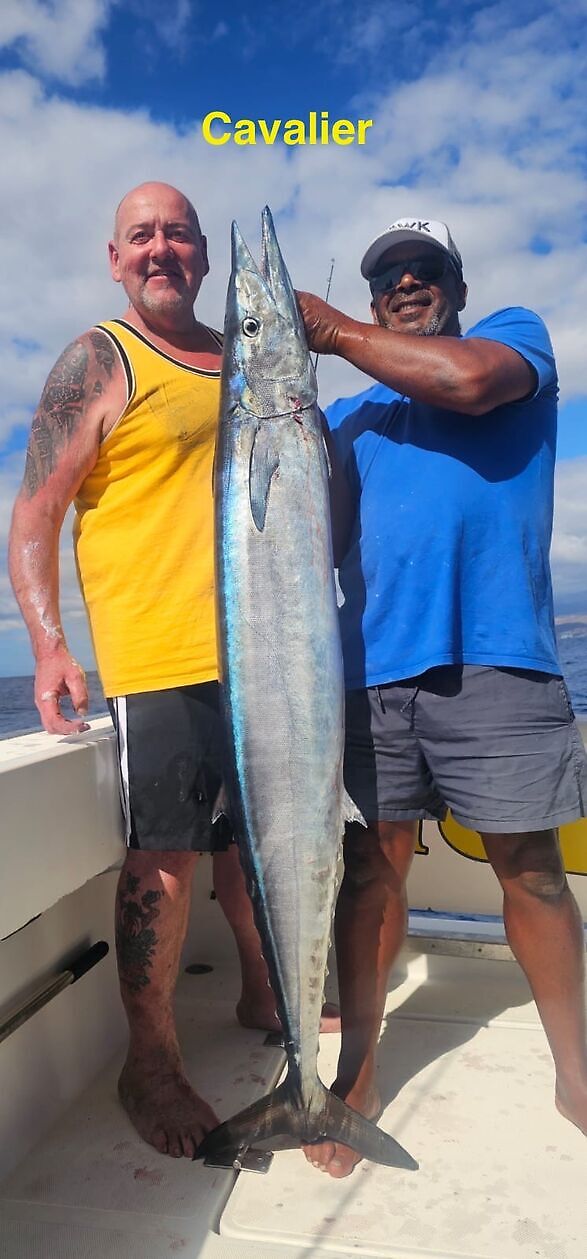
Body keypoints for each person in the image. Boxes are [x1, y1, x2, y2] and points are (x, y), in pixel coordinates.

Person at [8, 180, 338, 1161]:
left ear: (199, 255)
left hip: (266, 655)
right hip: (160, 655)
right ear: (116, 258)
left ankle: (263, 993)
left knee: (252, 844)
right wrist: (48, 643)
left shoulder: (238, 361)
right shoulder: (99, 358)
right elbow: (35, 511)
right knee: (166, 855)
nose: (161, 248)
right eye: (141, 234)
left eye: (178, 234)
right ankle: (148, 1060)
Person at [296, 216, 587, 1178]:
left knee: (531, 870)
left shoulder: (513, 340)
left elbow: (466, 383)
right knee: (370, 874)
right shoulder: (350, 419)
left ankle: (576, 1072)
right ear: (375, 296)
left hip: (497, 661)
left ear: (457, 287)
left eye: (425, 270)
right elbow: (317, 538)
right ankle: (359, 1073)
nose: (406, 283)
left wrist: (331, 332)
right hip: (368, 675)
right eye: (388, 276)